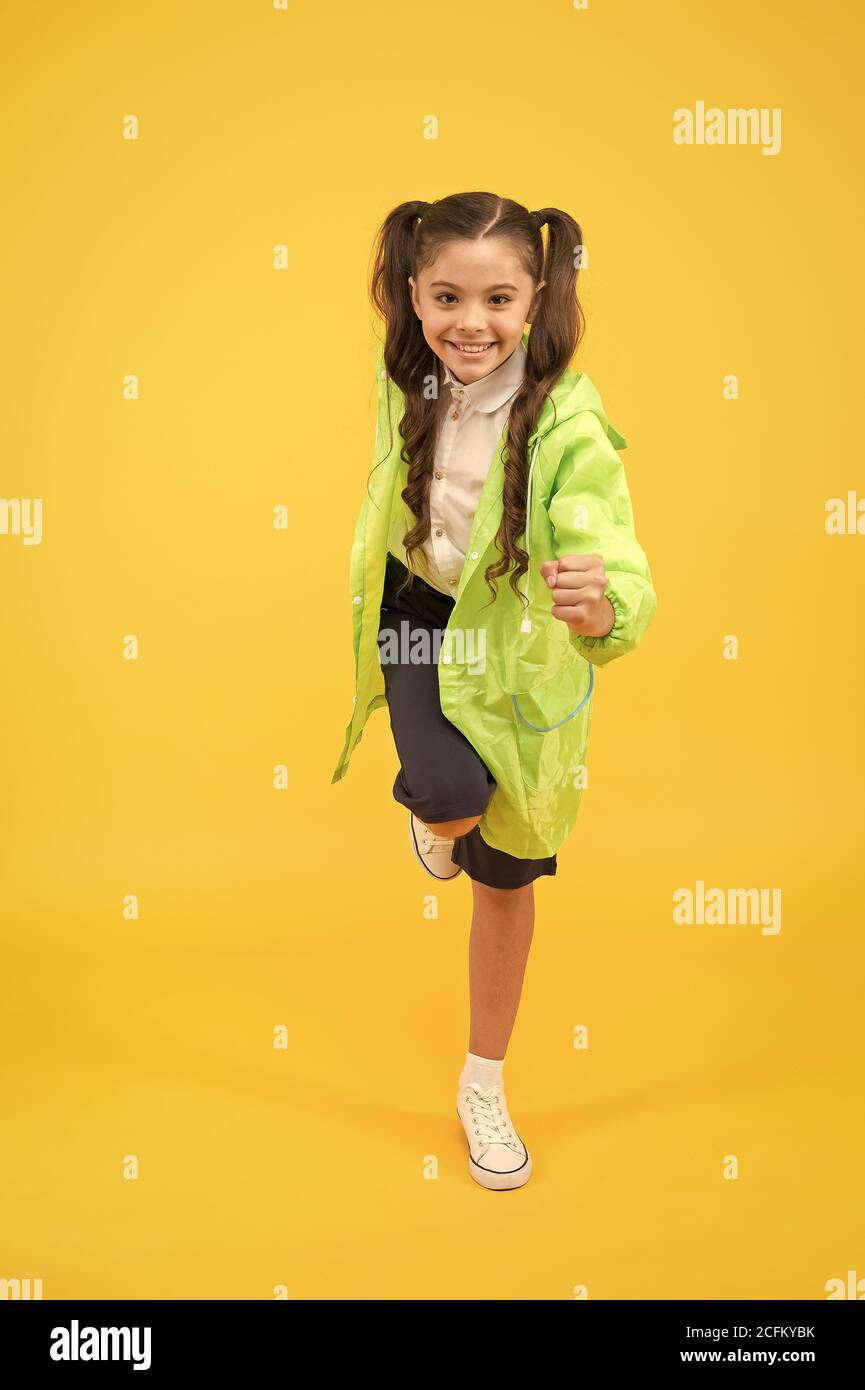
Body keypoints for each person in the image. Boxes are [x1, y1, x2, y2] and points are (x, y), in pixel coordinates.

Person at [332, 192, 658, 1191]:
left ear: (535, 299)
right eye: (446, 296)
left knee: (504, 876)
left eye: (498, 298)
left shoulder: (566, 419)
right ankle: (434, 816)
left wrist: (600, 605)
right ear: (412, 297)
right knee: (450, 799)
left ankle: (482, 1082)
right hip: (416, 618)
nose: (470, 321)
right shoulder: (407, 380)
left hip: (519, 657)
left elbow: (619, 560)